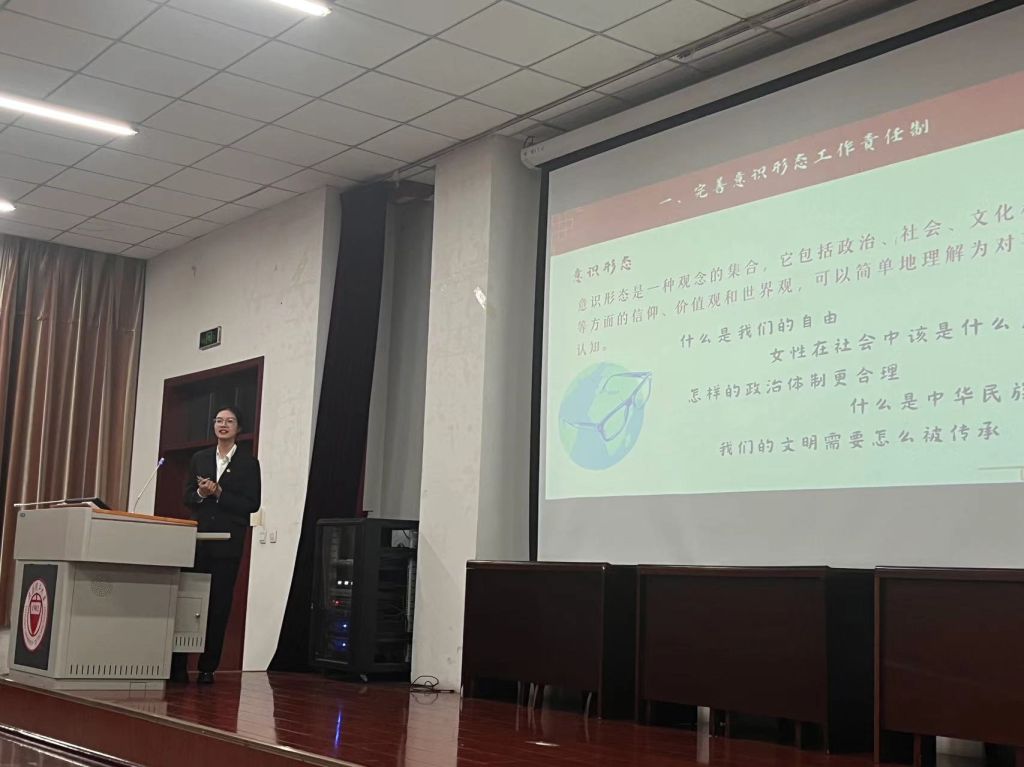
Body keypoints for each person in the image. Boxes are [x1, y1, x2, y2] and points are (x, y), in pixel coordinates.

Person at [170, 405, 261, 684]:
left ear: (239, 428)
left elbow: (252, 504)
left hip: (227, 543)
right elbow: (187, 497)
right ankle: (178, 667)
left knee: (219, 605)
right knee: (188, 602)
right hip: (198, 540)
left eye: (229, 421)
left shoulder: (248, 463)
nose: (223, 425)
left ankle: (208, 668)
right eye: (219, 420)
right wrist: (200, 492)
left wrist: (220, 493)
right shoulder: (200, 458)